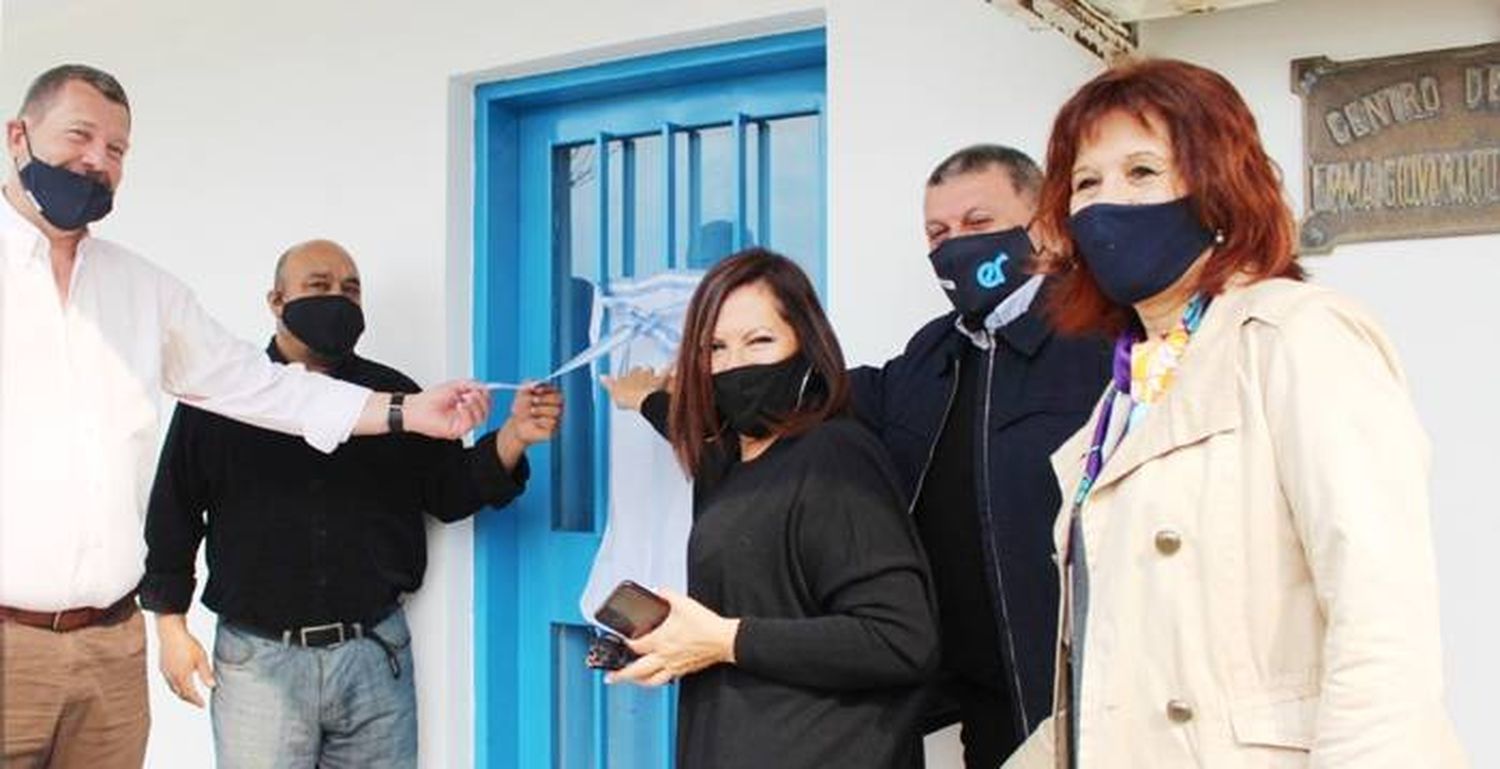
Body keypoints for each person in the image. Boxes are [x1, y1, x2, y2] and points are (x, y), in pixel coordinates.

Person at [0, 65, 488, 768]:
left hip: (109, 646)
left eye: (117, 150)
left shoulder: (142, 290)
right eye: (81, 136)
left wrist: (407, 410)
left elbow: (262, 387)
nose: (97, 162)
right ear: (19, 136)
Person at [1002, 58, 1466, 768]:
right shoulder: (1123, 391)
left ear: (1218, 187)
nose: (1106, 204)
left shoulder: (1295, 335)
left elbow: (1382, 623)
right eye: (1086, 183)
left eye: (1143, 172)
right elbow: (1114, 683)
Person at [606, 145, 1112, 765]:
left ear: (1047, 228)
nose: (956, 246)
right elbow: (775, 404)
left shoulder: (1103, 346)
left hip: (1085, 676)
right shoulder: (932, 358)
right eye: (937, 232)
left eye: (978, 224)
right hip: (983, 691)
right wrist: (658, 400)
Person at [139, 239, 562, 768]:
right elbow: (174, 510)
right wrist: (170, 628)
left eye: (350, 289)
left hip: (374, 656)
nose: (337, 299)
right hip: (259, 662)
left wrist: (515, 436)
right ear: (275, 301)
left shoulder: (396, 396)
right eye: (318, 287)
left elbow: (450, 492)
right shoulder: (225, 397)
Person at [603, 248, 940, 769]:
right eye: (715, 347)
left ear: (808, 345)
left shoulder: (836, 458)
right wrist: (679, 640)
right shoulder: (730, 461)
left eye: (759, 341)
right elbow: (753, 611)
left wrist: (724, 639)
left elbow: (901, 640)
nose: (734, 365)